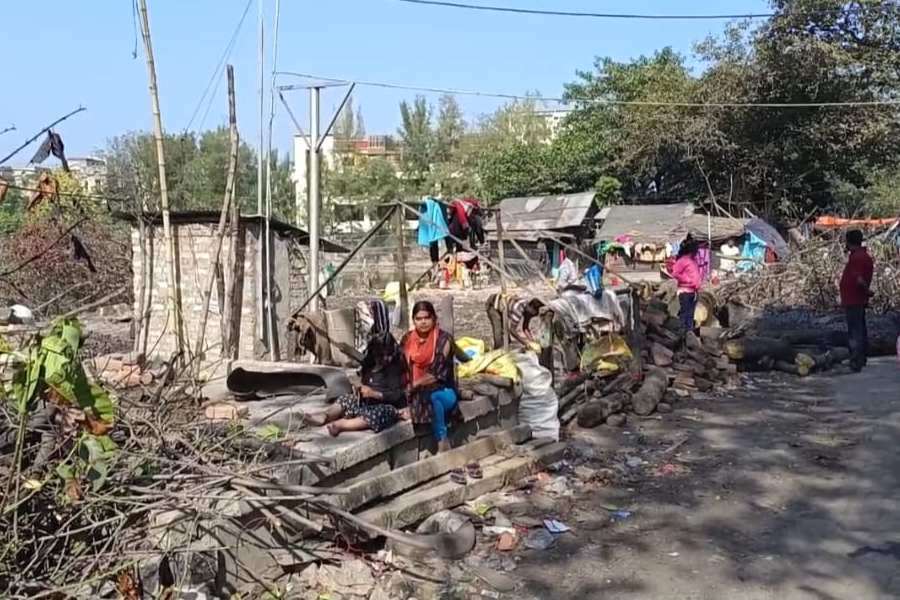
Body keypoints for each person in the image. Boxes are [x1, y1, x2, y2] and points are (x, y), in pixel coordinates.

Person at [308, 303, 409, 436]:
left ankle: (341, 425)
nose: (381, 359)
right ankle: (327, 416)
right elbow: (362, 378)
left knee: (379, 414)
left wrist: (376, 394)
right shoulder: (370, 364)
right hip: (365, 403)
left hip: (386, 406)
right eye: (378, 355)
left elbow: (398, 395)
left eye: (383, 355)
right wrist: (359, 387)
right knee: (346, 399)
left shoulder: (395, 368)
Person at [401, 300, 469, 452]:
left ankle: (442, 441)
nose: (423, 322)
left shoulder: (444, 340)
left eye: (427, 318)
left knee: (433, 399)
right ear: (414, 320)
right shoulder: (407, 339)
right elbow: (400, 367)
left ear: (434, 318)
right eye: (419, 319)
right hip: (414, 391)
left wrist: (415, 384)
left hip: (443, 390)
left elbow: (436, 373)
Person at [840, 229, 874, 372]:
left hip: (854, 299)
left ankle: (856, 362)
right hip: (856, 299)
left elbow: (859, 280)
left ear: (849, 242)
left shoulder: (857, 258)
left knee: (855, 331)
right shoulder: (862, 256)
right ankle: (862, 358)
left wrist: (867, 291)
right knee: (860, 328)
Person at [670, 240, 702, 331]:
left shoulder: (693, 260)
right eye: (696, 249)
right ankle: (681, 333)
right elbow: (675, 273)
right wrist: (687, 280)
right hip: (685, 291)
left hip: (694, 291)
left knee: (690, 314)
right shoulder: (682, 260)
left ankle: (689, 333)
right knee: (684, 313)